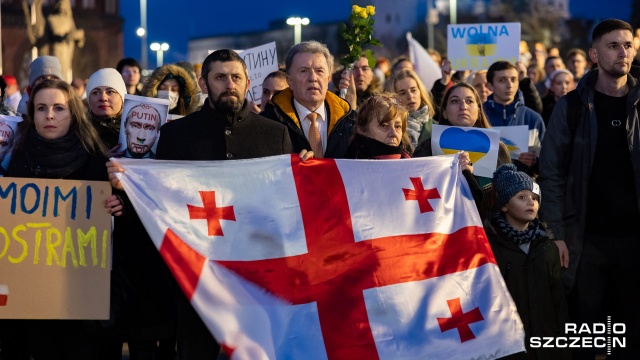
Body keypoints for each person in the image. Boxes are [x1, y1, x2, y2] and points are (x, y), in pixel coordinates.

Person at [107, 49, 304, 360]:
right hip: (197, 280)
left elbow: (285, 201)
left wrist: (308, 168)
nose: (229, 84)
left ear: (247, 82)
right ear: (203, 83)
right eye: (220, 77)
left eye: (236, 77)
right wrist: (126, 188)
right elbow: (160, 199)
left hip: (254, 278)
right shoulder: (175, 135)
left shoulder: (275, 135)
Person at [538, 18, 640, 359]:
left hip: (633, 241)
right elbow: (551, 174)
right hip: (586, 240)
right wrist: (556, 233)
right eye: (613, 46)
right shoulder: (570, 108)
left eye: (627, 45)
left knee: (626, 337)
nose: (622, 52)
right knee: (586, 337)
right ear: (594, 55)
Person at [1, 79, 121, 359]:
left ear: (73, 114)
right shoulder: (15, 160)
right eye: (41, 108)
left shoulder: (95, 162)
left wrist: (118, 205)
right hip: (28, 302)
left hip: (80, 303)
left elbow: (115, 230)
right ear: (32, 113)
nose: (50, 116)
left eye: (59, 108)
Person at [484, 164, 570, 360]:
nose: (530, 202)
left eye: (534, 198)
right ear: (504, 205)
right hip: (508, 347)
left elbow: (559, 304)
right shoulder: (492, 248)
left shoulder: (547, 248)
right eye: (521, 197)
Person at [413, 82, 510, 219]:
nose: (463, 106)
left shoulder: (498, 149)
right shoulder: (426, 149)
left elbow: (508, 195)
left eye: (469, 101)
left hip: (489, 229)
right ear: (445, 112)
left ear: (479, 110)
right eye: (454, 101)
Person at [262, 40, 357, 158]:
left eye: (319, 71)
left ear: (328, 78)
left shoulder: (350, 122)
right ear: (289, 81)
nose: (313, 78)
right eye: (304, 71)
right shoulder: (268, 123)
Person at [484, 61, 545, 177]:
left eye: (513, 79)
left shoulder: (533, 118)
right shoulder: (479, 115)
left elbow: (550, 162)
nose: (509, 85)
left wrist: (535, 162)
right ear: (490, 85)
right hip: (487, 188)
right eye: (502, 80)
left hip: (523, 189)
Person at [22, 0, 84, 82]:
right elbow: (45, 37)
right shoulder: (51, 19)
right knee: (55, 73)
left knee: (64, 73)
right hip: (55, 50)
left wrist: (77, 35)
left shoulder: (69, 20)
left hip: (66, 51)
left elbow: (78, 37)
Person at [343, 92, 412, 159]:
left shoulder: (412, 166)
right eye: (384, 125)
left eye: (397, 126)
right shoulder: (344, 167)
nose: (393, 134)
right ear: (361, 130)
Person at [384, 68, 436, 149]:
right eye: (403, 93)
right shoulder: (386, 129)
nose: (410, 96)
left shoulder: (437, 127)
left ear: (420, 91)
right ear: (394, 97)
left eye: (413, 90)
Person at [86, 68, 127, 152]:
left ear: (122, 98)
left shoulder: (137, 129)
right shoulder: (78, 133)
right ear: (89, 100)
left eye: (110, 92)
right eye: (96, 92)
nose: (103, 98)